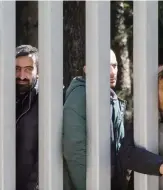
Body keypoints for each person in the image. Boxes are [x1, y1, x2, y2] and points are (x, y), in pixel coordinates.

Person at [62, 49, 129, 190]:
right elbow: (75, 152)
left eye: (115, 66)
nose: (112, 72)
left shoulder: (111, 97)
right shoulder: (80, 96)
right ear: (87, 70)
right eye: (105, 66)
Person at [15, 45, 39, 190]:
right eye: (17, 69)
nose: (22, 76)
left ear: (37, 72)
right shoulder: (0, 99)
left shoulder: (48, 102)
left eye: (28, 69)